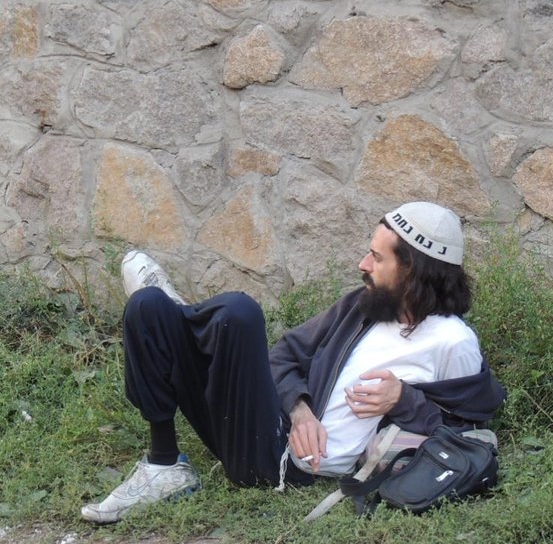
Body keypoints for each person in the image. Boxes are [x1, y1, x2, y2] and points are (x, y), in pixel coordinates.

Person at [80, 201, 506, 524]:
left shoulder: (452, 342)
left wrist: (403, 399)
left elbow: (467, 432)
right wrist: (301, 413)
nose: (363, 265)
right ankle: (163, 464)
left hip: (281, 465)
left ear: (413, 271)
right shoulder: (364, 308)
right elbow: (284, 356)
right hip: (273, 428)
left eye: (377, 258)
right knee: (146, 306)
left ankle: (185, 319)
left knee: (239, 313)